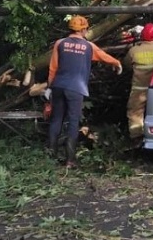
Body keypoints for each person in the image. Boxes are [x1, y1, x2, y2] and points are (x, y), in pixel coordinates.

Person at [48, 15, 122, 168]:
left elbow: (53, 68)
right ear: (83, 30)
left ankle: (51, 156)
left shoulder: (59, 43)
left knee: (56, 120)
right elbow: (103, 57)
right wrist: (117, 63)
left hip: (58, 85)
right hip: (76, 88)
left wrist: (49, 87)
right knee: (73, 122)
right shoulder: (89, 46)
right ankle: (70, 160)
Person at [123, 23, 153, 145]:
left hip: (139, 89)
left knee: (134, 112)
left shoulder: (134, 50)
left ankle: (137, 137)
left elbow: (126, 65)